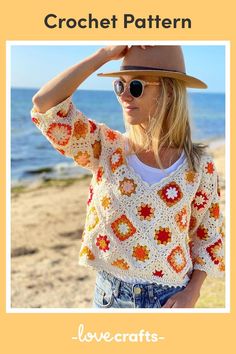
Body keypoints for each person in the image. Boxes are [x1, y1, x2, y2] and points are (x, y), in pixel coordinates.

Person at [31, 45, 225, 309]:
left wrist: (193, 293)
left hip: (169, 301)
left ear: (168, 91)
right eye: (118, 86)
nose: (124, 96)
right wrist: (104, 55)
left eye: (135, 86)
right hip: (109, 298)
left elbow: (208, 236)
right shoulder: (105, 148)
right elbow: (45, 105)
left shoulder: (199, 167)